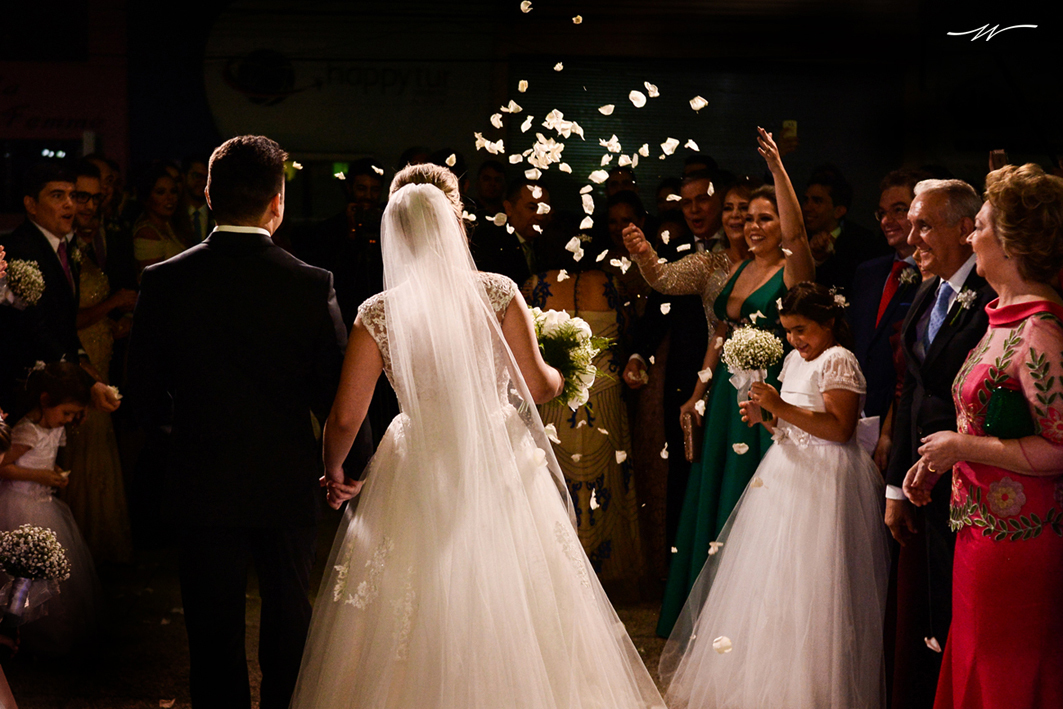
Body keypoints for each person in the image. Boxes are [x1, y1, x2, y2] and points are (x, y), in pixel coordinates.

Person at [289, 164, 665, 708]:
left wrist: (335, 471)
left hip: (418, 457)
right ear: (454, 220)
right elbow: (537, 387)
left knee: (414, 588)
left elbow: (346, 417)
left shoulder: (378, 313)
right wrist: (562, 372)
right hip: (496, 451)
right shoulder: (497, 292)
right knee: (511, 583)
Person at [127, 135, 373, 709]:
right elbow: (336, 393)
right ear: (277, 201)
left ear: (209, 196)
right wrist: (352, 466)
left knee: (211, 627)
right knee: (289, 615)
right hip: (284, 478)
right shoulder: (310, 283)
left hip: (200, 477)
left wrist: (171, 450)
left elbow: (142, 397)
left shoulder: (164, 281)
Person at [659, 282, 890, 709]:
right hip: (787, 472)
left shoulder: (838, 360)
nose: (794, 340)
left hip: (826, 478)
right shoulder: (793, 360)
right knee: (779, 579)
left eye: (802, 329)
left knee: (818, 580)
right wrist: (766, 418)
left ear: (828, 322)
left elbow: (839, 430)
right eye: (788, 331)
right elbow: (793, 425)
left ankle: (819, 691)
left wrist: (779, 408)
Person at [903, 163, 1063, 709]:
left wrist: (961, 448)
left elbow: (1060, 446)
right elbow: (979, 419)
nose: (971, 239)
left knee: (1006, 673)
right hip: (980, 534)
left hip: (1019, 542)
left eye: (980, 227)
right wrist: (938, 460)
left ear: (1011, 243)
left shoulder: (1040, 331)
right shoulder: (1004, 319)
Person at [654, 128, 815, 637]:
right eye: (749, 219)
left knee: (752, 493)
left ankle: (751, 618)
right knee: (715, 492)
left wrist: (778, 172)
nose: (754, 226)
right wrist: (697, 393)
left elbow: (798, 238)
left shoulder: (793, 269)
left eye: (765, 218)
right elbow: (720, 335)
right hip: (726, 396)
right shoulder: (739, 267)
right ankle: (707, 614)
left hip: (767, 395)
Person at [883, 178, 993, 709]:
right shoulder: (930, 290)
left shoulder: (990, 297)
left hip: (972, 479)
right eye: (910, 226)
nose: (911, 239)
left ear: (964, 228)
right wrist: (895, 486)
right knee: (929, 612)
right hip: (921, 480)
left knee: (962, 616)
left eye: (923, 225)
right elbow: (912, 390)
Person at [622, 178, 753, 549]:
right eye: (730, 209)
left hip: (768, 379)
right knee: (712, 475)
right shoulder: (711, 262)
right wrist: (644, 253)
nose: (736, 217)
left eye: (745, 210)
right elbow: (664, 279)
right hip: (719, 382)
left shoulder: (780, 264)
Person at [523, 259, 644, 593]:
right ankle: (610, 574)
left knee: (554, 478)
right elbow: (629, 333)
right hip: (603, 394)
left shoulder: (536, 284)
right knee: (607, 480)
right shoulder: (611, 284)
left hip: (555, 397)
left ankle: (562, 573)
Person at [0, 362, 101, 657]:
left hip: (45, 505)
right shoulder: (26, 431)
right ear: (45, 400)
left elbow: (44, 459)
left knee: (49, 573)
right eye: (66, 412)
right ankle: (19, 630)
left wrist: (54, 472)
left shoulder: (55, 428)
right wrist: (40, 476)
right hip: (19, 506)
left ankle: (49, 630)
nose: (68, 420)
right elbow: (3, 467)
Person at [65, 161, 136, 563]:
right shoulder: (65, 251)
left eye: (95, 198)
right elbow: (67, 319)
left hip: (102, 353)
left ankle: (95, 548)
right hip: (81, 361)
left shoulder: (88, 247)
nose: (91, 206)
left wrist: (116, 321)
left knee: (100, 451)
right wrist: (112, 305)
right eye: (82, 197)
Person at [804, 163, 886, 294]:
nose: (807, 208)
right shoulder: (799, 237)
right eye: (806, 200)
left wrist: (824, 259)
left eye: (817, 201)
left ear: (839, 211)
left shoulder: (862, 241)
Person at [131, 162, 185, 278]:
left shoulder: (171, 225)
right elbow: (153, 281)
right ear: (147, 197)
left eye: (173, 191)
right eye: (161, 192)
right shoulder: (147, 234)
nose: (169, 198)